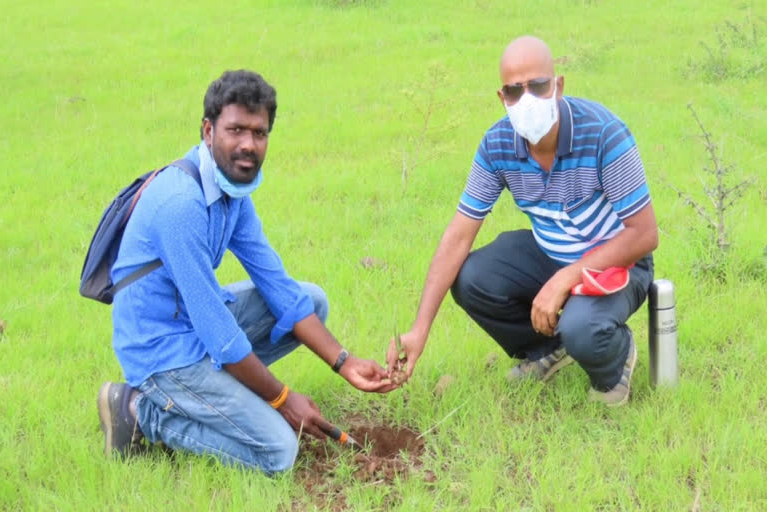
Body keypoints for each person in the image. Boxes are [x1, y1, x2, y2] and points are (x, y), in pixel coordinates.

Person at [97, 70, 394, 473]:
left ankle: (218, 399)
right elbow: (219, 334)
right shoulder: (180, 205)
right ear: (208, 130)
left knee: (311, 301)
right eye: (235, 130)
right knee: (277, 450)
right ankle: (140, 411)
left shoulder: (230, 192)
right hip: (162, 351)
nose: (248, 145)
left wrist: (344, 361)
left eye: (259, 133)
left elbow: (278, 286)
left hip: (194, 328)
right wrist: (283, 399)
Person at [387, 36, 658, 407]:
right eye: (515, 91)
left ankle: (614, 358)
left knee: (582, 326)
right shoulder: (497, 144)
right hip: (552, 250)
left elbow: (644, 235)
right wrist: (420, 329)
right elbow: (458, 236)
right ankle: (550, 350)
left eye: (538, 86)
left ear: (558, 86)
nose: (527, 99)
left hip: (616, 262)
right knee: (471, 278)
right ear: (502, 98)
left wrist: (567, 278)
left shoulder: (603, 134)